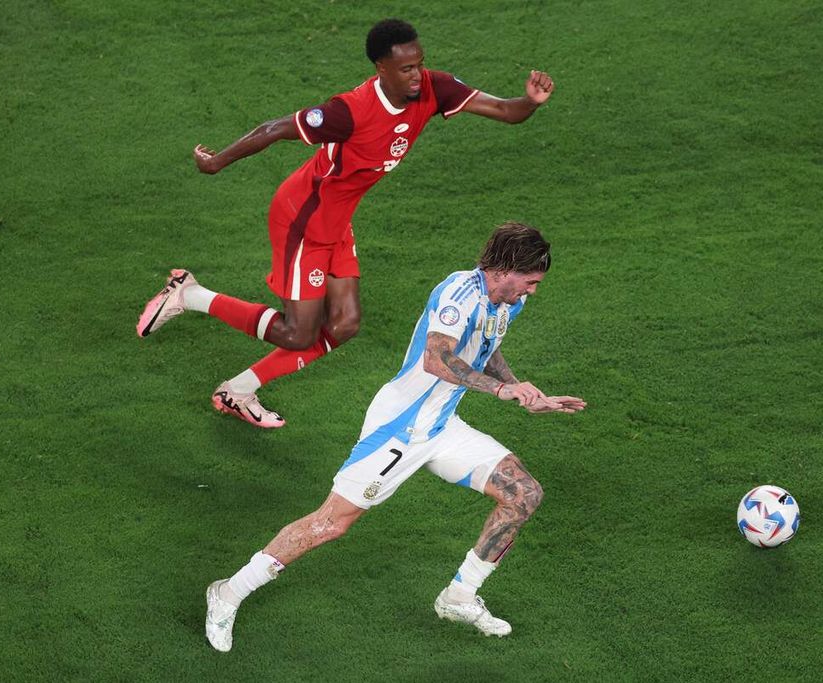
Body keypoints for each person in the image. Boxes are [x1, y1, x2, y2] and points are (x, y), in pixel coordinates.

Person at [136, 18, 555, 428]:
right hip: (303, 217)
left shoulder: (434, 88)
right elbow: (276, 128)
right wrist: (216, 162)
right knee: (298, 334)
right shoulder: (349, 112)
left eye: (420, 63)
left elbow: (504, 110)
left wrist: (530, 103)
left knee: (344, 325)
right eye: (407, 68)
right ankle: (189, 294)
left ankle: (239, 390)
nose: (417, 75)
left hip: (337, 221)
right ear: (381, 69)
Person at [203, 223, 585, 651]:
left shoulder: (506, 304)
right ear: (507, 269)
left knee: (524, 493)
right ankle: (228, 592)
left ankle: (458, 597)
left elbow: (485, 344)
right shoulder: (458, 294)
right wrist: (500, 390)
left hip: (442, 425)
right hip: (400, 427)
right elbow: (437, 358)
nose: (532, 292)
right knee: (330, 524)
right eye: (530, 282)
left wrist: (522, 391)